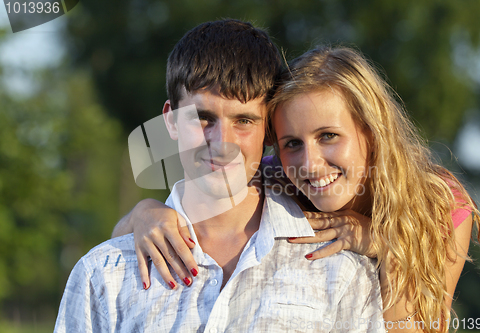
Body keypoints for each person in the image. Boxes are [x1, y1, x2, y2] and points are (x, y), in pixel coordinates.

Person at [113, 45, 480, 332]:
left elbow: (417, 327)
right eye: (291, 142)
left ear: (371, 133)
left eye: (328, 136)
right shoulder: (272, 175)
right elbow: (117, 243)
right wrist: (146, 212)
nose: (309, 164)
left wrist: (386, 245)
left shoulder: (437, 204)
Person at [55, 20, 384, 332]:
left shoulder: (342, 272)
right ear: (170, 121)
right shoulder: (104, 274)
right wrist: (142, 211)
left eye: (244, 121)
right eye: (203, 118)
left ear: (268, 130)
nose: (222, 143)